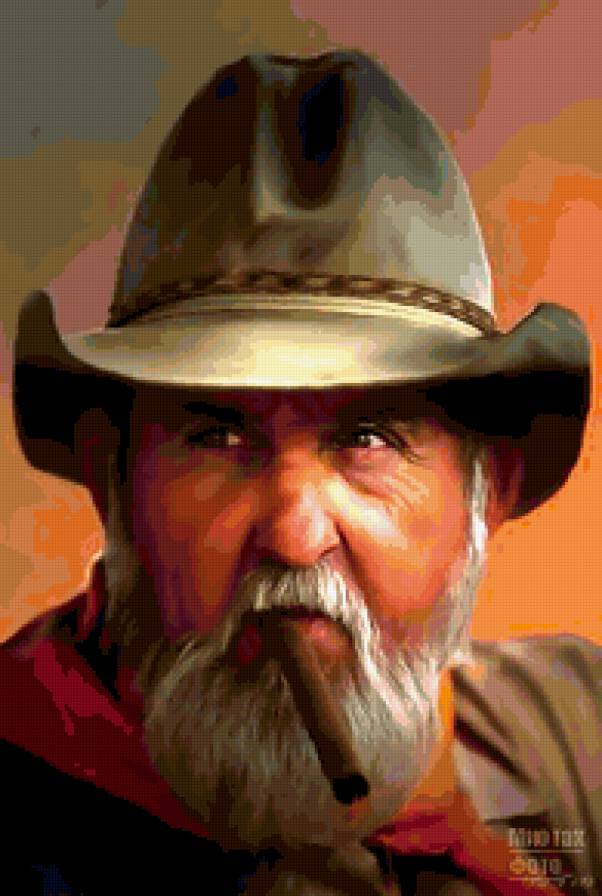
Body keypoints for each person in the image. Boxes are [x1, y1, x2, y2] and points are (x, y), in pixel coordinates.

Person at [3, 50, 599, 895]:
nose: (292, 534)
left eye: (370, 438)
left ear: (489, 489)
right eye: (217, 436)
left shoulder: (572, 735)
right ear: (112, 478)